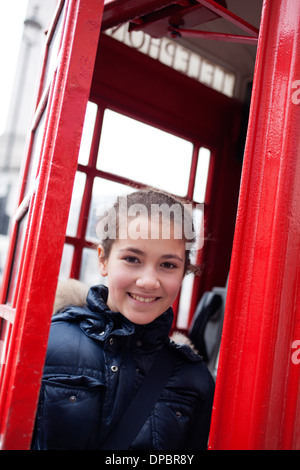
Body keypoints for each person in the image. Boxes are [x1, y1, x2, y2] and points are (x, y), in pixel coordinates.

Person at [31, 189, 215, 450]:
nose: (148, 281)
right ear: (103, 260)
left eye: (168, 265)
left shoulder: (194, 379)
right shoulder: (46, 343)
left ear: (185, 271)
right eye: (132, 259)